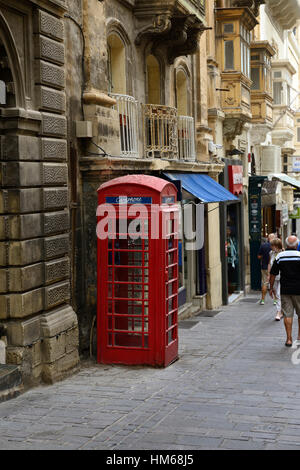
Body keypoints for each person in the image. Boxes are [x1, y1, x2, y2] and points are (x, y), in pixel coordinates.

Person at [270, 235, 300, 347]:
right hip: (299, 290)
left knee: (287, 314)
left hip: (285, 289)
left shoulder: (280, 257)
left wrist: (271, 287)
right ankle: (299, 336)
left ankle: (289, 339)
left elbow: (273, 274)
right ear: (296, 245)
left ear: (286, 244)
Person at [257, 233, 276, 305]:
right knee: (274, 284)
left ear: (268, 238)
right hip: (275, 267)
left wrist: (263, 257)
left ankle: (262, 300)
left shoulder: (263, 246)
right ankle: (275, 300)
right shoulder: (276, 246)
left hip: (265, 267)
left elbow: (259, 256)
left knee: (265, 283)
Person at [268, 238, 283, 321]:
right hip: (273, 277)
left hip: (281, 277)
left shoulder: (283, 253)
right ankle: (281, 310)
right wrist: (268, 274)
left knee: (278, 294)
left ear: (277, 246)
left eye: (272, 245)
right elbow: (269, 264)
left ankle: (278, 312)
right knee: (275, 293)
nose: (271, 247)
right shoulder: (271, 253)